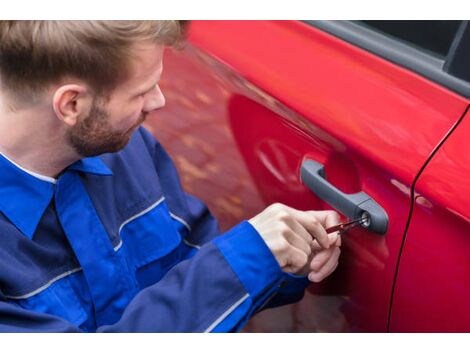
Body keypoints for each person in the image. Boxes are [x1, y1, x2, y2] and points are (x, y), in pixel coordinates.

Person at [0, 20, 341, 332]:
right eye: (142, 91)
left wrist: (278, 259)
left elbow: (194, 257)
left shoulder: (129, 151)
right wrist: (246, 257)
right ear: (72, 104)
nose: (159, 101)